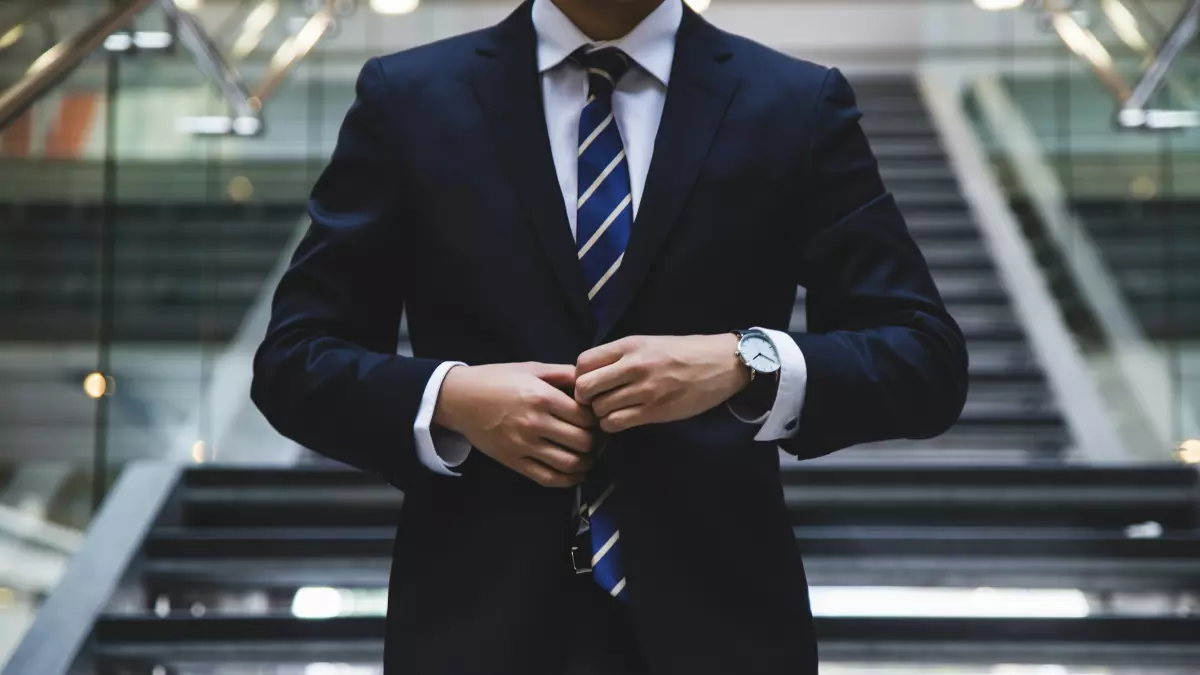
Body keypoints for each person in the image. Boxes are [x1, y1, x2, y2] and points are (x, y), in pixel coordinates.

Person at [251, 0, 969, 673]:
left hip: (726, 628)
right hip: (471, 625)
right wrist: (451, 397)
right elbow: (295, 359)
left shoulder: (794, 103)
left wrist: (745, 360)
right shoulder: (407, 98)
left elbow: (923, 355)